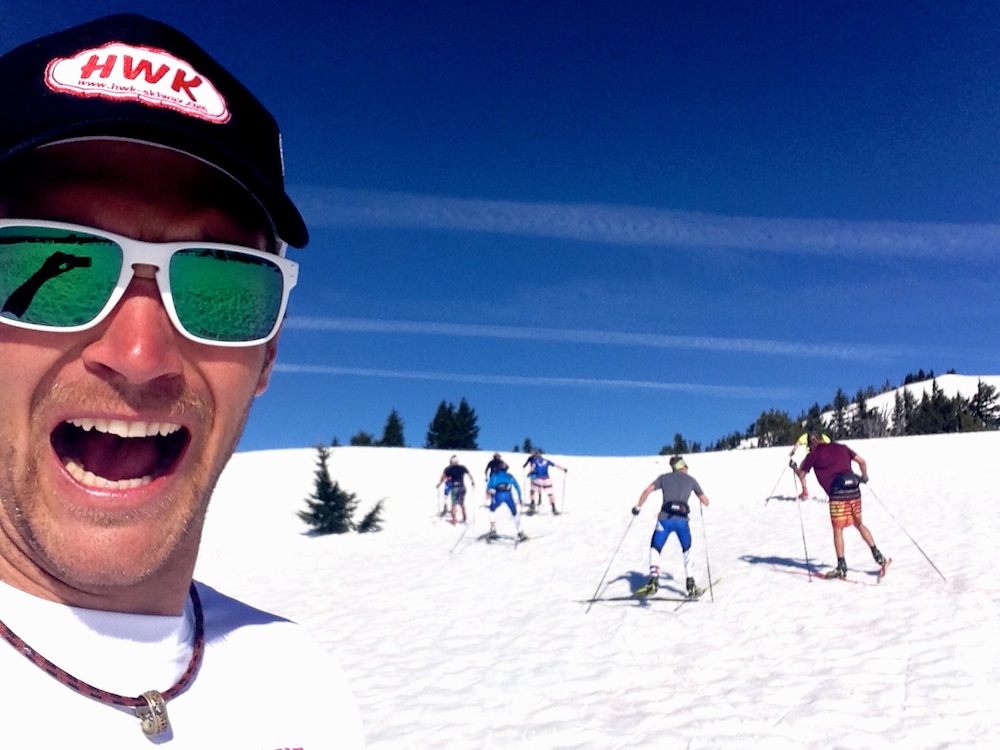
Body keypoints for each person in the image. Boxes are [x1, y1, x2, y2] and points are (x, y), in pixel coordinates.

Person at [0, 15, 365, 746]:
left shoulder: (301, 684)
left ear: (266, 357)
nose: (140, 353)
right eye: (49, 265)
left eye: (222, 287)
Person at [793, 433, 888, 579]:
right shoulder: (842, 448)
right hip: (854, 490)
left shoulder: (813, 454)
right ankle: (878, 556)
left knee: (838, 529)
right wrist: (864, 478)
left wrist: (794, 467)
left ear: (811, 443)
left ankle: (841, 566)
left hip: (837, 493)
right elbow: (862, 462)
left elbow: (801, 475)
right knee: (859, 523)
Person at [631, 456, 710, 598]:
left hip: (664, 519)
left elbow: (647, 490)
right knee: (687, 550)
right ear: (682, 466)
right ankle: (691, 585)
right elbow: (705, 501)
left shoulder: (663, 478)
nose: (687, 469)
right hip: (682, 522)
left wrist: (638, 507)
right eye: (686, 466)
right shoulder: (691, 480)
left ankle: (654, 580)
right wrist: (701, 499)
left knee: (655, 547)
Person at [485, 467, 527, 542]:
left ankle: (493, 529)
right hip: (508, 495)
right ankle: (520, 532)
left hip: (498, 495)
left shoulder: (494, 475)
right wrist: (520, 498)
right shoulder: (510, 476)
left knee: (492, 509)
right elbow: (517, 487)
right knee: (514, 513)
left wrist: (490, 494)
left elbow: (489, 488)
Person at [522, 450, 567, 515]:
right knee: (550, 494)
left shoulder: (535, 460)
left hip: (538, 479)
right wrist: (563, 469)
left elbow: (533, 468)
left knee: (532, 491)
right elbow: (556, 465)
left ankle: (532, 506)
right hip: (547, 479)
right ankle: (554, 508)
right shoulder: (547, 461)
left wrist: (529, 473)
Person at [788, 432, 830, 499]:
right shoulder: (823, 437)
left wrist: (794, 450)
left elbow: (799, 442)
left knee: (801, 473)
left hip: (813, 456)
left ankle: (805, 490)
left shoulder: (808, 435)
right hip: (817, 456)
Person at [436, 455, 474, 524]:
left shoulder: (449, 469)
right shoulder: (462, 467)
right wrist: (472, 482)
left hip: (455, 488)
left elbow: (443, 477)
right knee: (462, 503)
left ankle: (454, 519)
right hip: (462, 487)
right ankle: (465, 517)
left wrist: (439, 484)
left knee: (454, 503)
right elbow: (469, 474)